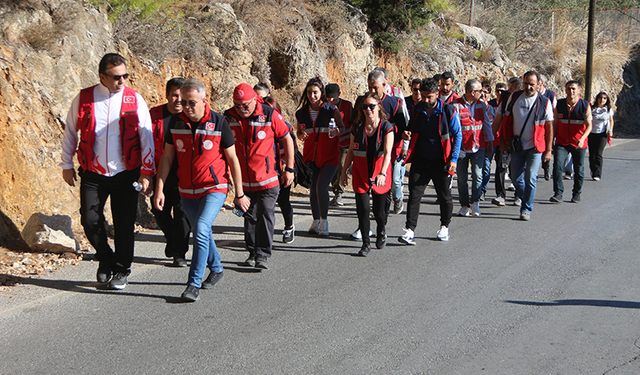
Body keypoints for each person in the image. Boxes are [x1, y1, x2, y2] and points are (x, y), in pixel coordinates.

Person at [60, 53, 155, 290]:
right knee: (90, 219)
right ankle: (104, 257)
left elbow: (147, 138)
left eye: (125, 75)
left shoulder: (135, 99)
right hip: (93, 172)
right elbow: (71, 132)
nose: (122, 81)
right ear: (102, 76)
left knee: (124, 224)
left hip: (126, 173)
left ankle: (122, 269)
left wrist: (147, 172)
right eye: (116, 77)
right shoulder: (84, 98)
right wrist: (67, 164)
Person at [154, 78, 248, 302]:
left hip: (214, 187)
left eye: (191, 102)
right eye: (184, 101)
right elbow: (167, 158)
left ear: (204, 100)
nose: (186, 106)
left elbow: (233, 159)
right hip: (186, 190)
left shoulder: (219, 122)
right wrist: (160, 189)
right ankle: (216, 268)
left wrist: (240, 193)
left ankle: (193, 283)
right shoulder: (176, 123)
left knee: (202, 228)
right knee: (201, 231)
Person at [226, 83, 295, 269]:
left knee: (265, 213)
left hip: (268, 178)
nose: (241, 109)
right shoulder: (229, 117)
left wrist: (290, 168)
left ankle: (262, 253)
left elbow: (287, 138)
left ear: (254, 100)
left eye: (245, 105)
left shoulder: (269, 114)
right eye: (237, 105)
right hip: (244, 180)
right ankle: (251, 251)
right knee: (250, 216)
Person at [398, 78, 462, 245]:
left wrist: (453, 159)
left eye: (430, 97)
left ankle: (444, 226)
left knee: (444, 196)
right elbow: (411, 129)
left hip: (442, 161)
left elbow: (458, 135)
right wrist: (406, 135)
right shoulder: (417, 110)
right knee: (414, 195)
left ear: (437, 94)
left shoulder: (448, 111)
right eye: (424, 96)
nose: (426, 100)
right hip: (421, 159)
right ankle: (410, 230)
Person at [340, 92, 394, 256]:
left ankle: (381, 230)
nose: (368, 109)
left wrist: (382, 173)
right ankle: (365, 243)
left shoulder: (386, 127)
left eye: (371, 106)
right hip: (361, 173)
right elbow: (350, 151)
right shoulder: (357, 127)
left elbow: (387, 152)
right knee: (362, 210)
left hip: (379, 173)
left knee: (378, 212)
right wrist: (343, 172)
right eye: (365, 107)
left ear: (378, 107)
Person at [499, 71, 554, 221]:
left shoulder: (544, 102)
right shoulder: (514, 97)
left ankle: (526, 208)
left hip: (535, 147)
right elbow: (505, 121)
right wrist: (503, 142)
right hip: (517, 146)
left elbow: (549, 128)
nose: (528, 87)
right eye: (526, 83)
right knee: (516, 178)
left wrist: (548, 150)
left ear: (539, 84)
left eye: (532, 84)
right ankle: (527, 198)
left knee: (531, 178)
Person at [149, 78, 191, 267]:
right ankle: (173, 239)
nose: (178, 99)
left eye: (181, 96)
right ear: (166, 95)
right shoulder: (154, 115)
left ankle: (180, 253)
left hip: (184, 174)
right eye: (174, 95)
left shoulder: (190, 117)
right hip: (160, 172)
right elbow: (145, 144)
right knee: (159, 210)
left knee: (183, 214)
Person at [297, 78, 344, 237]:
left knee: (322, 187)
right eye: (309, 92)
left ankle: (324, 222)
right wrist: (301, 135)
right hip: (311, 157)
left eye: (315, 92)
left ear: (321, 93)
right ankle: (315, 221)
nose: (312, 95)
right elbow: (299, 132)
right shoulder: (301, 113)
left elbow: (343, 128)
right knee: (313, 189)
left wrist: (337, 131)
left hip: (330, 156)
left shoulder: (331, 109)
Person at [452, 79, 494, 217]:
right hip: (461, 148)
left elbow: (486, 125)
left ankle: (475, 202)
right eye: (480, 91)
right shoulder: (455, 105)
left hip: (479, 146)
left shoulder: (481, 105)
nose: (482, 94)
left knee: (478, 175)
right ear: (472, 92)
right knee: (462, 178)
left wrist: (490, 143)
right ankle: (464, 205)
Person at [371, 68, 410, 215]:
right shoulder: (366, 103)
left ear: (383, 84)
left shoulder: (395, 103)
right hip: (376, 149)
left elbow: (405, 129)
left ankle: (398, 197)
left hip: (394, 148)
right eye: (370, 87)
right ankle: (382, 210)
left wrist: (404, 146)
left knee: (394, 181)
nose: (373, 90)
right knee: (379, 180)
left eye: (376, 87)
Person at [550, 80, 592, 203]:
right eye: (568, 88)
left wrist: (582, 139)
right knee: (557, 167)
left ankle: (576, 193)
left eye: (573, 88)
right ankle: (558, 193)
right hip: (562, 142)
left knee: (579, 169)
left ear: (579, 90)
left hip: (578, 143)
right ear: (565, 90)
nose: (571, 91)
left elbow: (589, 126)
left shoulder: (585, 105)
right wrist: (552, 140)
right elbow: (555, 123)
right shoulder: (559, 104)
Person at [263, 94, 296, 243]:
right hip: (265, 170)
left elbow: (293, 148)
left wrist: (287, 166)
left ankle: (289, 226)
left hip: (282, 169)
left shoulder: (286, 127)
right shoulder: (260, 126)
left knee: (283, 201)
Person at [326, 83, 353, 207]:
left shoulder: (347, 106)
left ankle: (338, 193)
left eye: (334, 97)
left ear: (339, 95)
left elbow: (353, 123)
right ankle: (334, 189)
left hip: (345, 142)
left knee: (342, 165)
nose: (331, 100)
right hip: (330, 143)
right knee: (333, 167)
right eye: (329, 97)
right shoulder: (324, 107)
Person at [488, 83, 509, 207]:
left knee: (514, 170)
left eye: (503, 91)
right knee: (500, 168)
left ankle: (519, 195)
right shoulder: (490, 105)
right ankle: (500, 194)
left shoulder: (509, 104)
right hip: (497, 142)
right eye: (498, 91)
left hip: (510, 141)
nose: (500, 94)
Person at [588, 91, 614, 181]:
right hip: (592, 133)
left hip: (603, 134)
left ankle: (597, 174)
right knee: (592, 154)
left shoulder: (608, 109)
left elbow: (611, 120)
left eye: (604, 98)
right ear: (597, 98)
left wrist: (610, 130)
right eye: (600, 97)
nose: (602, 100)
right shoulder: (591, 108)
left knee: (598, 153)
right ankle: (592, 169)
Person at [539, 74, 558, 181]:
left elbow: (555, 110)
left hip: (548, 124)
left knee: (547, 146)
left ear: (541, 83)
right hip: (537, 125)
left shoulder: (550, 95)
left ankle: (546, 167)